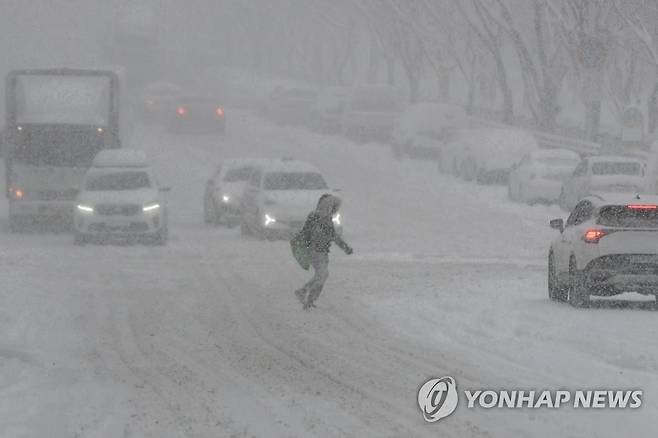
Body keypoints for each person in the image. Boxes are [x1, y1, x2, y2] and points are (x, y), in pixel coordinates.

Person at [294, 194, 353, 310]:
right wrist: (345, 247)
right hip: (317, 251)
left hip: (319, 250)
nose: (335, 210)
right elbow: (333, 236)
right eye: (334, 207)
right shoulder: (322, 219)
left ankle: (307, 297)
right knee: (322, 275)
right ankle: (306, 294)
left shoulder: (317, 217)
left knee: (322, 275)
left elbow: (307, 233)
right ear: (328, 206)